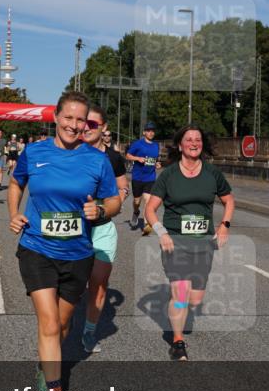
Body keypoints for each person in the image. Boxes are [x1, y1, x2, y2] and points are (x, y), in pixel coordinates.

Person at [8, 92, 120, 391]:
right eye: (68, 117)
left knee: (63, 324)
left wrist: (101, 210)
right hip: (37, 248)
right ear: (56, 117)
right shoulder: (34, 152)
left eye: (80, 120)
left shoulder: (96, 160)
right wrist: (14, 213)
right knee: (48, 322)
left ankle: (46, 365)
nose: (73, 125)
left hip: (78, 253)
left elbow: (114, 200)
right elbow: (15, 183)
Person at [144, 126, 234, 361]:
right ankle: (177, 341)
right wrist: (162, 233)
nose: (194, 143)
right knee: (181, 295)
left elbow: (229, 200)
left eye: (198, 140)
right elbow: (150, 209)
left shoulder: (212, 173)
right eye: (189, 139)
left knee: (195, 299)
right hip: (175, 242)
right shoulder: (169, 175)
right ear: (180, 145)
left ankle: (178, 307)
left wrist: (224, 225)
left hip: (203, 244)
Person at [80, 106, 129, 354]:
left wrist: (112, 204)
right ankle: (60, 323)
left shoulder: (113, 157)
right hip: (75, 229)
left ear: (104, 127)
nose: (86, 128)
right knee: (70, 283)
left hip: (102, 228)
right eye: (83, 123)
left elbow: (122, 187)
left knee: (98, 283)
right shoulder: (72, 153)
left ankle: (89, 331)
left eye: (92, 124)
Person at [126, 121, 162, 234]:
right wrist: (137, 158)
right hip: (137, 177)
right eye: (148, 131)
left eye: (153, 131)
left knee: (148, 200)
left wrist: (157, 164)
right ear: (144, 132)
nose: (151, 133)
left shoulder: (156, 145)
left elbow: (155, 160)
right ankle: (136, 212)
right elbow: (127, 155)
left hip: (150, 177)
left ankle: (146, 225)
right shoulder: (138, 144)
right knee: (137, 201)